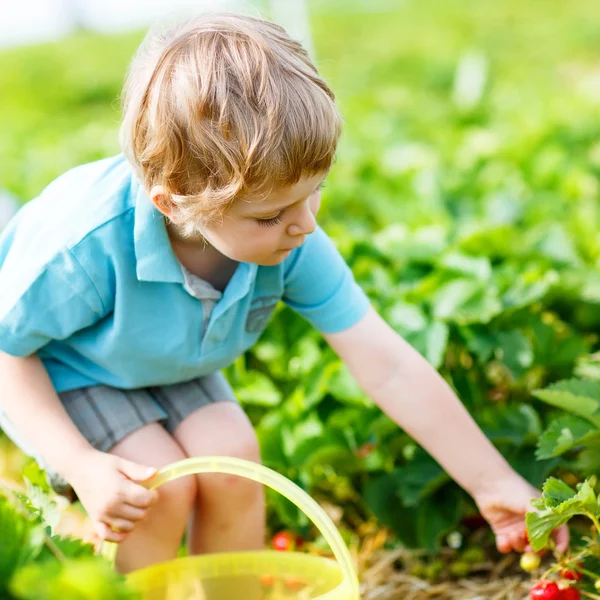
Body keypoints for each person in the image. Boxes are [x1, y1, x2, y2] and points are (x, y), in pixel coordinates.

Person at [0, 13, 568, 573]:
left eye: (315, 191)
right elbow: (7, 353)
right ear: (173, 204)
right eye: (271, 215)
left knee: (232, 458)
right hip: (61, 364)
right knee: (156, 487)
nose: (304, 226)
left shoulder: (293, 240)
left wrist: (492, 482)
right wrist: (80, 464)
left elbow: (388, 365)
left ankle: (230, 593)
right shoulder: (84, 246)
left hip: (160, 360)